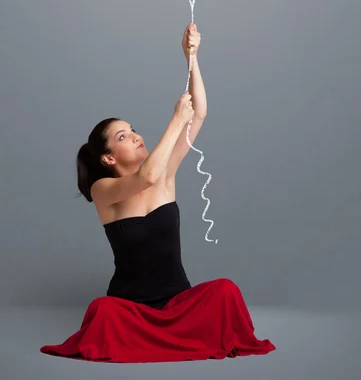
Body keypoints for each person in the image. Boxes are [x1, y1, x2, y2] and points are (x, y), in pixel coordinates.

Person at [40, 91, 276, 362]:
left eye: (133, 130)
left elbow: (198, 113)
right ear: (108, 159)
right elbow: (147, 176)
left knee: (226, 290)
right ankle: (170, 342)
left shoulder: (166, 175)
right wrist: (176, 119)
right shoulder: (103, 190)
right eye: (122, 137)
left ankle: (159, 342)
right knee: (102, 310)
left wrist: (191, 56)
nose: (135, 136)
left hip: (179, 305)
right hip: (131, 311)